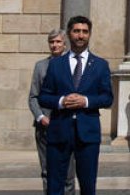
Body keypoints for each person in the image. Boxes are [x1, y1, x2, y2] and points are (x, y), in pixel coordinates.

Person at [37, 15, 114, 195]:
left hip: (87, 133)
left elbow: (107, 98)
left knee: (88, 186)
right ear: (69, 34)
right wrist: (61, 102)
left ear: (89, 34)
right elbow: (44, 97)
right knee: (55, 185)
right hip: (59, 131)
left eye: (85, 32)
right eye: (76, 31)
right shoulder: (56, 64)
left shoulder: (101, 65)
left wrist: (85, 101)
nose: (80, 35)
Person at [28, 30, 75, 195]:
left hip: (67, 125)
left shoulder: (73, 65)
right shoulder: (41, 66)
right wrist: (40, 117)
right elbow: (33, 96)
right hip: (45, 128)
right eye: (51, 42)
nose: (54, 45)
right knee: (47, 171)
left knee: (68, 174)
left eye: (58, 42)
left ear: (64, 43)